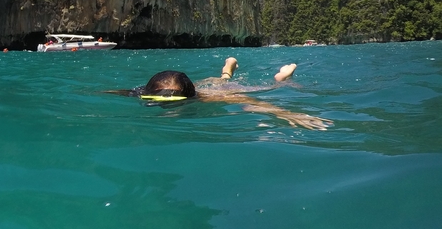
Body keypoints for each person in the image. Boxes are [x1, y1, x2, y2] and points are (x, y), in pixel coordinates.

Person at [111, 57, 331, 130]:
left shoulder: (210, 98)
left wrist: (288, 114)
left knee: (273, 85)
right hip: (203, 85)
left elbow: (252, 103)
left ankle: (282, 75)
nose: (167, 108)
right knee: (221, 79)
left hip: (227, 91)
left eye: (173, 103)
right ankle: (228, 68)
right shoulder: (142, 92)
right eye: (161, 102)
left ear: (190, 98)